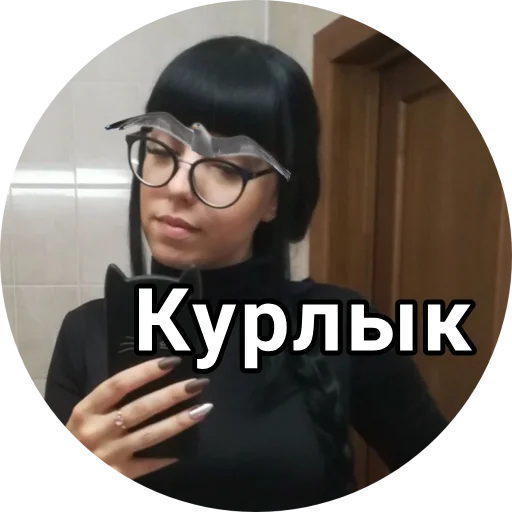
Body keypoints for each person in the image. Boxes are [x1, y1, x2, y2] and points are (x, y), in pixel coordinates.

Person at [44, 35, 448, 511]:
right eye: (161, 150)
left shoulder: (341, 323)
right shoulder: (85, 332)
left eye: (224, 167)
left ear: (274, 201)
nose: (178, 187)